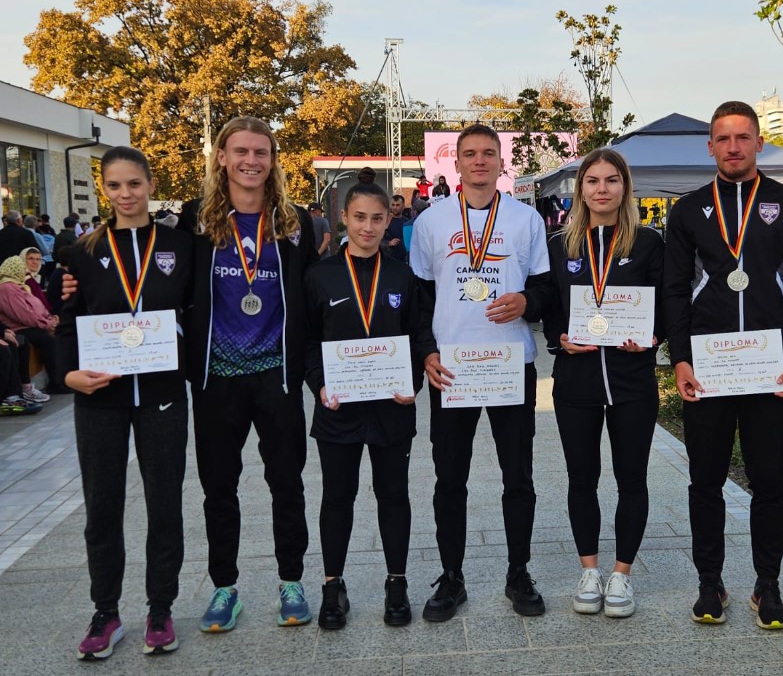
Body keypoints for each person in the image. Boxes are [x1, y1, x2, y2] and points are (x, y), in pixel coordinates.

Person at [662, 100, 783, 630]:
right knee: (704, 482)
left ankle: (767, 584)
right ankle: (710, 582)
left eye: (743, 137)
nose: (733, 147)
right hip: (709, 369)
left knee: (769, 483)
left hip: (770, 369)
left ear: (758, 143)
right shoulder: (688, 210)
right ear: (710, 146)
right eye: (723, 139)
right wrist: (680, 359)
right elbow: (674, 290)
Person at [176, 116, 318, 632]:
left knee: (287, 484)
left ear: (273, 160)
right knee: (219, 488)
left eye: (261, 152)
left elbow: (312, 293)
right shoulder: (195, 221)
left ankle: (291, 581)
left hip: (276, 375)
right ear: (221, 157)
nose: (251, 161)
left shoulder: (295, 224)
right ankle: (224, 588)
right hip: (217, 378)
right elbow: (169, 286)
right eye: (240, 151)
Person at [56, 146, 194, 660]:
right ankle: (105, 611)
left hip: (161, 393)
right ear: (104, 189)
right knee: (102, 506)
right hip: (101, 397)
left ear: (151, 184)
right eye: (114, 185)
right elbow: (67, 321)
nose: (125, 194)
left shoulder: (181, 246)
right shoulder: (81, 252)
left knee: (165, 503)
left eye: (134, 183)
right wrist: (68, 374)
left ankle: (160, 608)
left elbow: (195, 310)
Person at [410, 123, 551, 622]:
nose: (479, 161)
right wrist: (426, 351)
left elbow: (546, 288)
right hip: (452, 367)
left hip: (509, 364)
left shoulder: (526, 219)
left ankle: (518, 572)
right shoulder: (431, 220)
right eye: (469, 153)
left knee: (518, 476)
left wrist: (527, 301)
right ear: (456, 163)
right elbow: (420, 296)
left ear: (500, 161)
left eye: (488, 153)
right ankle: (452, 576)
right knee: (450, 477)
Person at [542, 148, 664, 618]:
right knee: (582, 479)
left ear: (625, 187)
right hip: (577, 381)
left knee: (632, 479)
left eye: (611, 180)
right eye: (592, 181)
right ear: (581, 189)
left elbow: (665, 304)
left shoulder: (649, 242)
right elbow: (551, 306)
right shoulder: (560, 245)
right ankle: (589, 571)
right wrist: (559, 337)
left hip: (632, 381)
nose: (602, 189)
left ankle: (622, 574)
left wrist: (653, 337)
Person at [304, 182, 432, 630]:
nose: (368, 227)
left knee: (393, 494)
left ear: (388, 220)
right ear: (344, 218)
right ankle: (332, 585)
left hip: (391, 406)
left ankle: (397, 583)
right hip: (337, 406)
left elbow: (418, 335)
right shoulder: (320, 275)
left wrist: (413, 382)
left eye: (377, 218)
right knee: (337, 497)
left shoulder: (401, 275)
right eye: (359, 217)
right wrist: (319, 384)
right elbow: (307, 341)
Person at [0, 255, 59, 401]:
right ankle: (20, 391)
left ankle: (23, 389)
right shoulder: (6, 288)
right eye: (22, 268)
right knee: (42, 340)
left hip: (26, 325)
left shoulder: (20, 285)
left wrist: (49, 318)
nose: (25, 270)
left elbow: (38, 306)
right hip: (18, 327)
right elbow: (23, 314)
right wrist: (47, 324)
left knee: (46, 337)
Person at [384, 194, 408, 263]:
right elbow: (377, 240)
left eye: (397, 205)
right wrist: (388, 243)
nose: (395, 207)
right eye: (393, 205)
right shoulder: (385, 221)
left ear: (403, 206)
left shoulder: (407, 222)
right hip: (389, 259)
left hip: (403, 260)